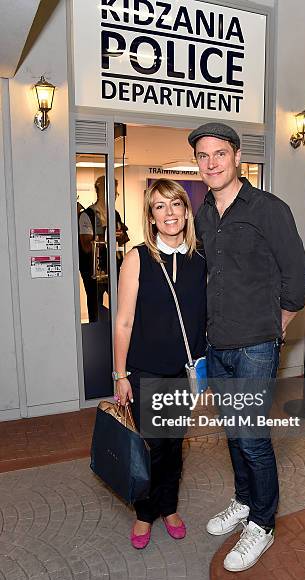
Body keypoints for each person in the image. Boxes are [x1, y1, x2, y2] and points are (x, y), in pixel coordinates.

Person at [188, 122, 305, 572]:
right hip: (217, 345)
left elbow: (297, 279)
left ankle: (262, 522)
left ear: (237, 157)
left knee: (253, 438)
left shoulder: (267, 209)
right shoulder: (204, 214)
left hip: (255, 347)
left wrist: (274, 327)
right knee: (233, 434)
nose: (212, 162)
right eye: (203, 156)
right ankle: (242, 501)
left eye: (220, 153)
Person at [113, 178, 206, 549]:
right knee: (153, 445)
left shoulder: (200, 261)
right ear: (151, 218)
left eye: (176, 205)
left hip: (184, 372)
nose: (169, 213)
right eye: (160, 207)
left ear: (186, 210)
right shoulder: (137, 258)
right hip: (146, 372)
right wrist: (120, 373)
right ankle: (144, 512)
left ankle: (169, 507)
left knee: (174, 443)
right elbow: (123, 321)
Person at [79, 176, 129, 322]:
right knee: (95, 306)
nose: (115, 195)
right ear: (102, 191)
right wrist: (111, 235)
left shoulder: (115, 214)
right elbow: (87, 247)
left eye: (116, 192)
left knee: (121, 302)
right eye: (113, 191)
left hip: (112, 266)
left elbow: (124, 238)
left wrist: (117, 235)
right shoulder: (86, 215)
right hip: (93, 269)